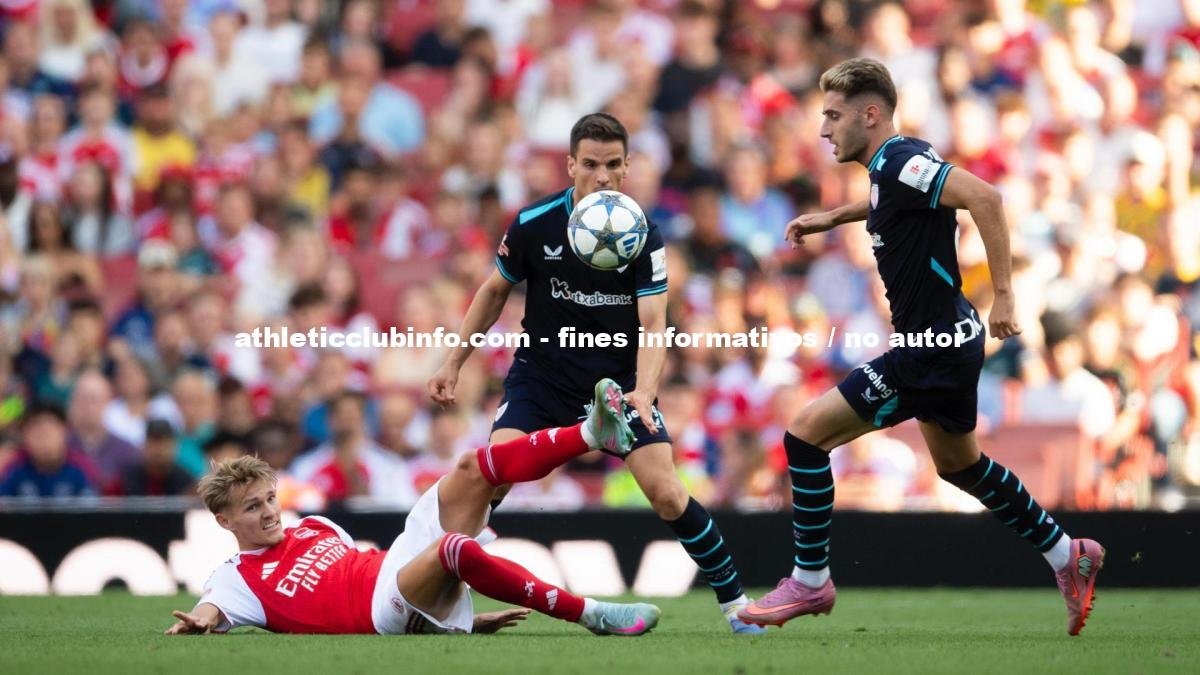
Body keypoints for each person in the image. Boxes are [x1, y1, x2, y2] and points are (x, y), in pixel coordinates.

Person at [737, 58, 1105, 636]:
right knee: (961, 465)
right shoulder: (897, 161)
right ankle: (1067, 553)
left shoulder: (898, 160)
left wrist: (1004, 294)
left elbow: (986, 197)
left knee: (804, 437)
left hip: (928, 347)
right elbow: (893, 198)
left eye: (833, 116)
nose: (824, 129)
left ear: (870, 114)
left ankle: (810, 581)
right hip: (951, 339)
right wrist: (833, 216)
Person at [428, 113, 763, 634]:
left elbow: (654, 323)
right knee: (492, 480)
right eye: (589, 164)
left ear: (627, 168)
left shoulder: (643, 235)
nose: (601, 176)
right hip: (542, 379)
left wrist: (644, 392)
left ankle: (736, 605)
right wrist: (454, 360)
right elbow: (494, 291)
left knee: (667, 493)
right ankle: (435, 598)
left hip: (617, 387)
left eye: (612, 165)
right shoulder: (535, 222)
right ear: (570, 166)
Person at [164, 379, 659, 637]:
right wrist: (201, 621)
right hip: (381, 611)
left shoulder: (313, 526)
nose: (270, 512)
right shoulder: (236, 578)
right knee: (453, 550)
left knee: (471, 467)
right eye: (253, 508)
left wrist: (454, 615)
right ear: (225, 520)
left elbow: (365, 566)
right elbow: (211, 607)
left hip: (396, 568)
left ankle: (593, 433)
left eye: (270, 498)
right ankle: (594, 614)